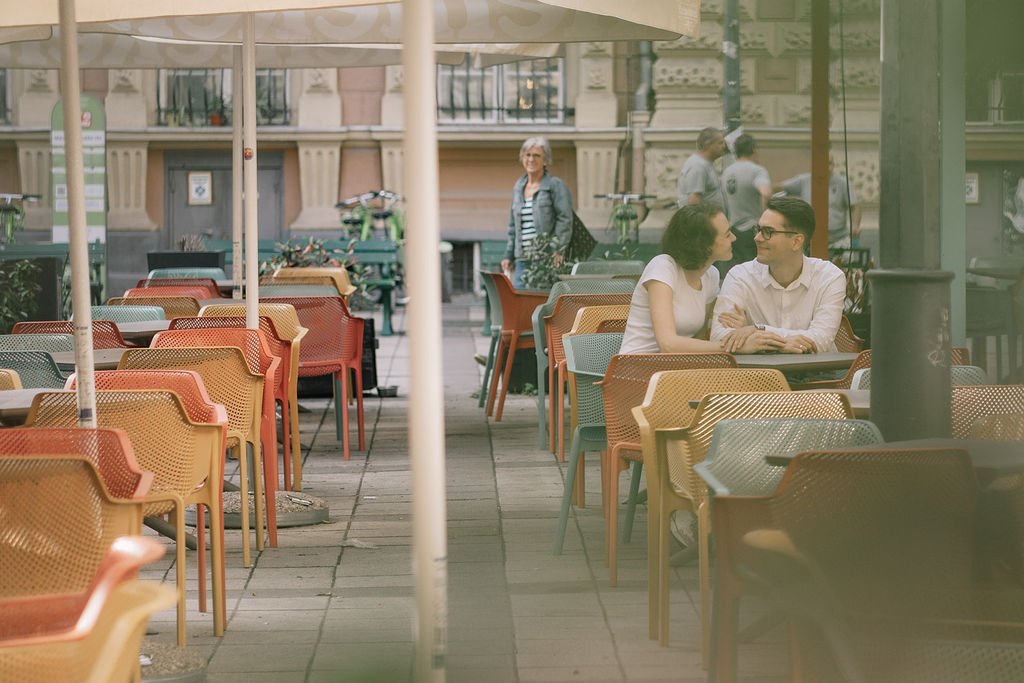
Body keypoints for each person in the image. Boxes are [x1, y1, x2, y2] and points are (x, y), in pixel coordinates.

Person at [619, 203, 784, 356]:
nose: (734, 238)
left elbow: (701, 338)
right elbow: (668, 344)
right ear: (704, 244)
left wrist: (743, 328)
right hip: (636, 369)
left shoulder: (710, 275)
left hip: (678, 370)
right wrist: (736, 347)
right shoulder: (663, 267)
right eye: (727, 234)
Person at [710, 196, 846, 354]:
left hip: (820, 375)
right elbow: (719, 336)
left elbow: (820, 341)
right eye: (758, 229)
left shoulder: (830, 276)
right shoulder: (739, 276)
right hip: (758, 375)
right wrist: (783, 344)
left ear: (796, 241)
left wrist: (757, 330)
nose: (757, 238)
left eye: (768, 232)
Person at [501, 137, 573, 288]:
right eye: (528, 155)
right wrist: (508, 255)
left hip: (546, 258)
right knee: (521, 303)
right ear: (522, 158)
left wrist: (558, 250)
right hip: (522, 258)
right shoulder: (519, 187)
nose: (531, 159)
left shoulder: (555, 185)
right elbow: (513, 226)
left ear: (545, 160)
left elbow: (565, 219)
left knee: (542, 303)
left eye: (536, 155)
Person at [779, 157, 862, 248]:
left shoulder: (842, 183)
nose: (828, 167)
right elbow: (778, 188)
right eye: (825, 164)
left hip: (838, 238)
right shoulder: (804, 180)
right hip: (810, 239)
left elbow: (855, 205)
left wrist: (855, 225)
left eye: (830, 163)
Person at [720, 133, 771, 272]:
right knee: (756, 272)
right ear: (754, 150)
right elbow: (765, 192)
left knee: (738, 272)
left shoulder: (727, 172)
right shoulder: (757, 171)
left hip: (733, 229)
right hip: (752, 229)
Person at [677, 127, 727, 209]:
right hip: (703, 220)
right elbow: (694, 201)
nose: (724, 146)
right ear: (708, 145)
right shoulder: (698, 167)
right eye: (720, 143)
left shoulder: (706, 163)